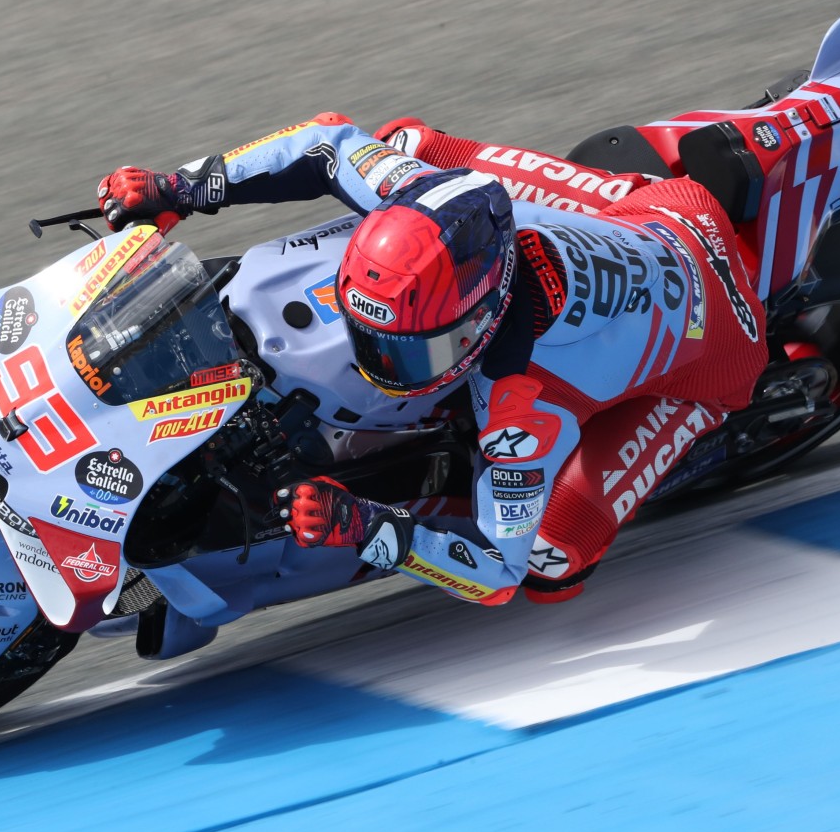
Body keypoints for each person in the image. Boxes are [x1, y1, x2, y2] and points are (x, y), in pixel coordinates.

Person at [96, 112, 767, 605]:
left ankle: (694, 440)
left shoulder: (521, 410)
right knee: (404, 141)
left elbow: (493, 575)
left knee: (547, 563)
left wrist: (364, 526)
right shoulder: (425, 196)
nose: (378, 361)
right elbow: (326, 139)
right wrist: (179, 188)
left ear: (483, 317)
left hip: (719, 344)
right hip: (651, 211)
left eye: (412, 351)